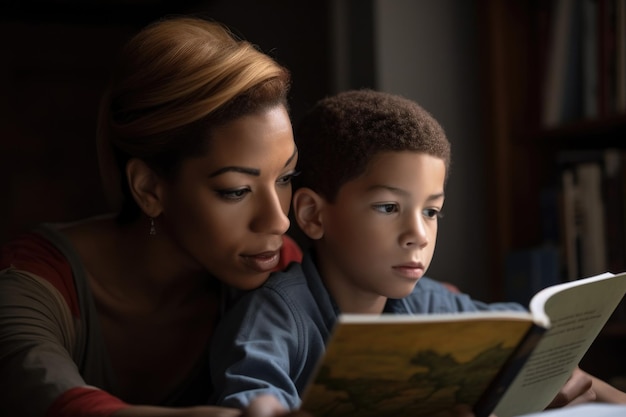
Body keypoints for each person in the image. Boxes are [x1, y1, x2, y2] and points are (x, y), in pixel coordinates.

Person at [209, 89, 626, 414]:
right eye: (389, 207)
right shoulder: (275, 317)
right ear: (314, 215)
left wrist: (579, 382)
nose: (418, 234)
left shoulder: (432, 304)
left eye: (431, 211)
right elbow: (255, 401)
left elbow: (531, 343)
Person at [0, 15, 305, 417]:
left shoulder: (284, 273)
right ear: (149, 188)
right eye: (236, 190)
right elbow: (46, 398)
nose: (278, 221)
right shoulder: (32, 282)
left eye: (285, 178)